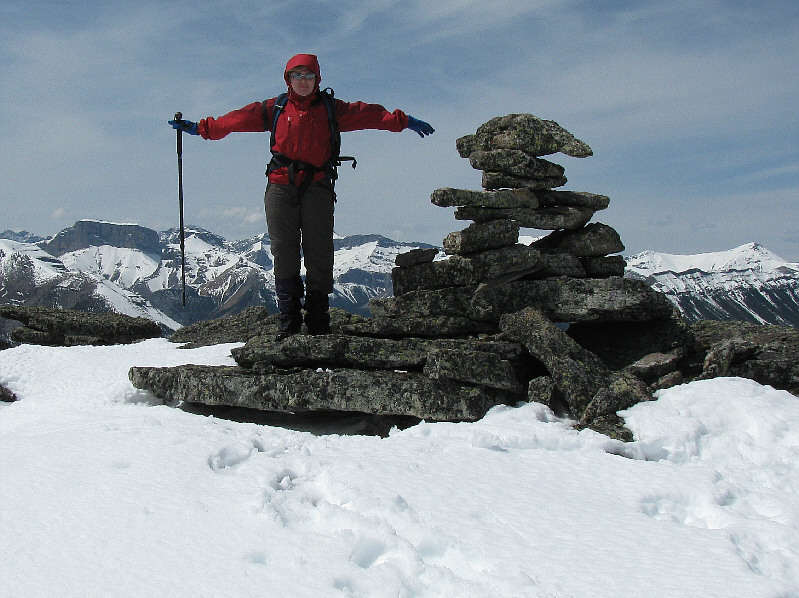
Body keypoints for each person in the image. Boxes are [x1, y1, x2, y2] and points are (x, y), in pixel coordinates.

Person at [170, 53, 434, 340]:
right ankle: (290, 321)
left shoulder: (332, 109)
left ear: (317, 79)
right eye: (297, 75)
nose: (303, 81)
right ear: (288, 79)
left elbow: (370, 114)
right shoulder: (275, 109)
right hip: (281, 186)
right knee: (284, 251)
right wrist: (202, 128)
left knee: (319, 250)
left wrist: (403, 121)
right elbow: (236, 120)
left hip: (317, 186)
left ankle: (318, 320)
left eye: (309, 76)